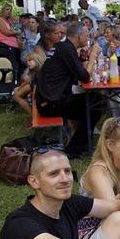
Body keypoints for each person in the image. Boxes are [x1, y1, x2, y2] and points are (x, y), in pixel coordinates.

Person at [35, 24, 102, 157]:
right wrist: (93, 56)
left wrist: (83, 59)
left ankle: (79, 144)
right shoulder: (66, 48)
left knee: (93, 100)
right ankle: (74, 149)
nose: (88, 38)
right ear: (79, 35)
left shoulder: (64, 46)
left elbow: (77, 72)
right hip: (50, 103)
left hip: (47, 98)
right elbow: (84, 77)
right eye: (87, 35)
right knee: (96, 104)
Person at [14, 48, 46, 115]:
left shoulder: (39, 73)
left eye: (30, 60)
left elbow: (29, 82)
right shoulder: (33, 72)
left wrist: (19, 88)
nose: (28, 63)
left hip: (40, 93)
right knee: (19, 93)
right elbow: (27, 81)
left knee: (17, 96)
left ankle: (33, 115)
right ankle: (33, 114)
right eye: (27, 62)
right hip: (37, 90)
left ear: (37, 60)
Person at [0, 4, 21, 80]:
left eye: (10, 10)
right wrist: (17, 32)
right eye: (7, 9)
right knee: (13, 64)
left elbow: (13, 29)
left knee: (17, 64)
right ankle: (13, 81)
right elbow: (6, 32)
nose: (9, 12)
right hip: (6, 45)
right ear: (2, 10)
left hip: (14, 45)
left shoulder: (8, 20)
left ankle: (16, 80)